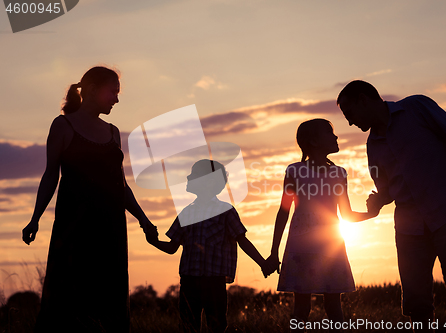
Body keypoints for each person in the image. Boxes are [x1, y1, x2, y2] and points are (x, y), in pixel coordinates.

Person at [337, 80, 446, 332]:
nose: (350, 122)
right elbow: (387, 191)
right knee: (416, 300)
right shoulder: (372, 145)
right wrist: (377, 201)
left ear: (363, 99)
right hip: (409, 229)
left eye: (349, 114)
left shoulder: (417, 106)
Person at [22, 66, 158, 332]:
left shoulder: (113, 132)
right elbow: (51, 176)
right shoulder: (63, 125)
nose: (116, 99)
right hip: (74, 227)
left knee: (108, 302)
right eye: (113, 92)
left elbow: (121, 185)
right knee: (70, 299)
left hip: (111, 230)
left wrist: (144, 221)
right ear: (93, 90)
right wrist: (34, 219)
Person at [265, 119, 379, 331]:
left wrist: (372, 213)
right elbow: (283, 211)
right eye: (330, 133)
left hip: (330, 247)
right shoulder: (294, 171)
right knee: (302, 307)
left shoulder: (339, 173)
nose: (336, 137)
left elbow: (346, 214)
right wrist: (273, 252)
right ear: (314, 141)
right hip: (303, 248)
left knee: (333, 306)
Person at [146, 159, 271, 333]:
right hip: (189, 282)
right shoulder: (187, 212)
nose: (189, 177)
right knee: (188, 326)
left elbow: (242, 240)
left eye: (194, 174)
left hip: (214, 281)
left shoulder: (226, 211)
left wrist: (263, 263)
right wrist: (153, 241)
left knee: (216, 326)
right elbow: (172, 247)